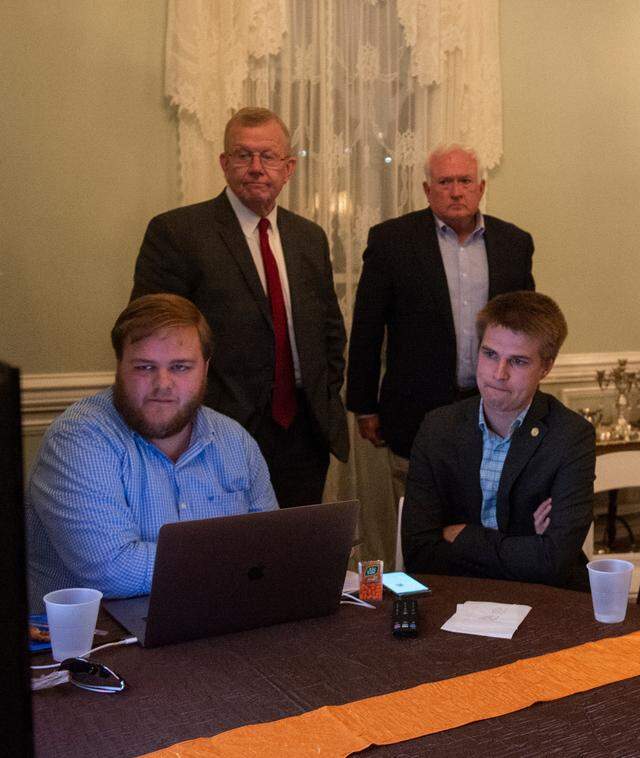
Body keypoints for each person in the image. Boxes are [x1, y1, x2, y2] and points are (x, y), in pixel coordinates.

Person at [132, 107, 347, 508]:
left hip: (304, 432)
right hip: (215, 432)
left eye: (267, 157)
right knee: (231, 555)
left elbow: (330, 330)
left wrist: (325, 393)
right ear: (224, 163)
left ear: (289, 168)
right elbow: (150, 337)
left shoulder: (309, 237)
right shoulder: (178, 233)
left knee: (298, 552)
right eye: (243, 155)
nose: (255, 167)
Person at [25, 295, 277, 608]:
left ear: (205, 369)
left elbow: (272, 550)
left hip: (212, 625)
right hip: (96, 642)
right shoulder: (77, 440)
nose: (163, 384)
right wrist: (235, 560)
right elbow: (112, 570)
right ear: (119, 367)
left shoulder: (236, 442)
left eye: (181, 367)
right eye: (145, 367)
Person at [346, 144, 535, 500]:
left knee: (488, 511)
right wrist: (364, 405)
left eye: (465, 180)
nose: (456, 191)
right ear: (426, 189)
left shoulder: (514, 243)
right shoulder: (392, 241)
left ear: (480, 188)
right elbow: (367, 328)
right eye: (444, 181)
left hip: (494, 408)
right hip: (415, 410)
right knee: (416, 518)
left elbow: (528, 330)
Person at [400, 292, 594, 590]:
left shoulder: (570, 435)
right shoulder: (438, 428)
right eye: (490, 354)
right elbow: (420, 554)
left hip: (545, 601)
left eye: (517, 361)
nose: (498, 374)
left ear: (546, 367)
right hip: (453, 597)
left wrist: (462, 535)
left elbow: (555, 561)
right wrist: (527, 544)